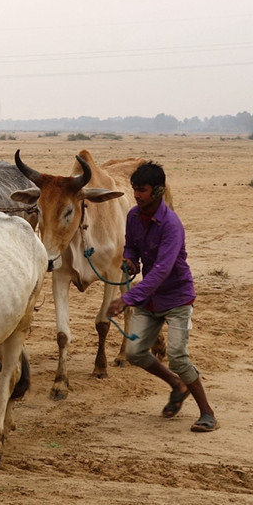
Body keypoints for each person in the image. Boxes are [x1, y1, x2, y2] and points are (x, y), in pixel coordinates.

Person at [106, 162, 218, 432]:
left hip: (176, 297)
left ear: (157, 191)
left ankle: (208, 414)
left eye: (141, 190)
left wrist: (127, 298)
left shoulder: (172, 225)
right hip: (150, 299)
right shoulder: (133, 216)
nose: (136, 195)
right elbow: (131, 246)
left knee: (178, 356)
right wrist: (131, 261)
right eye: (134, 189)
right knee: (134, 353)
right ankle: (177, 385)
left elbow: (161, 271)